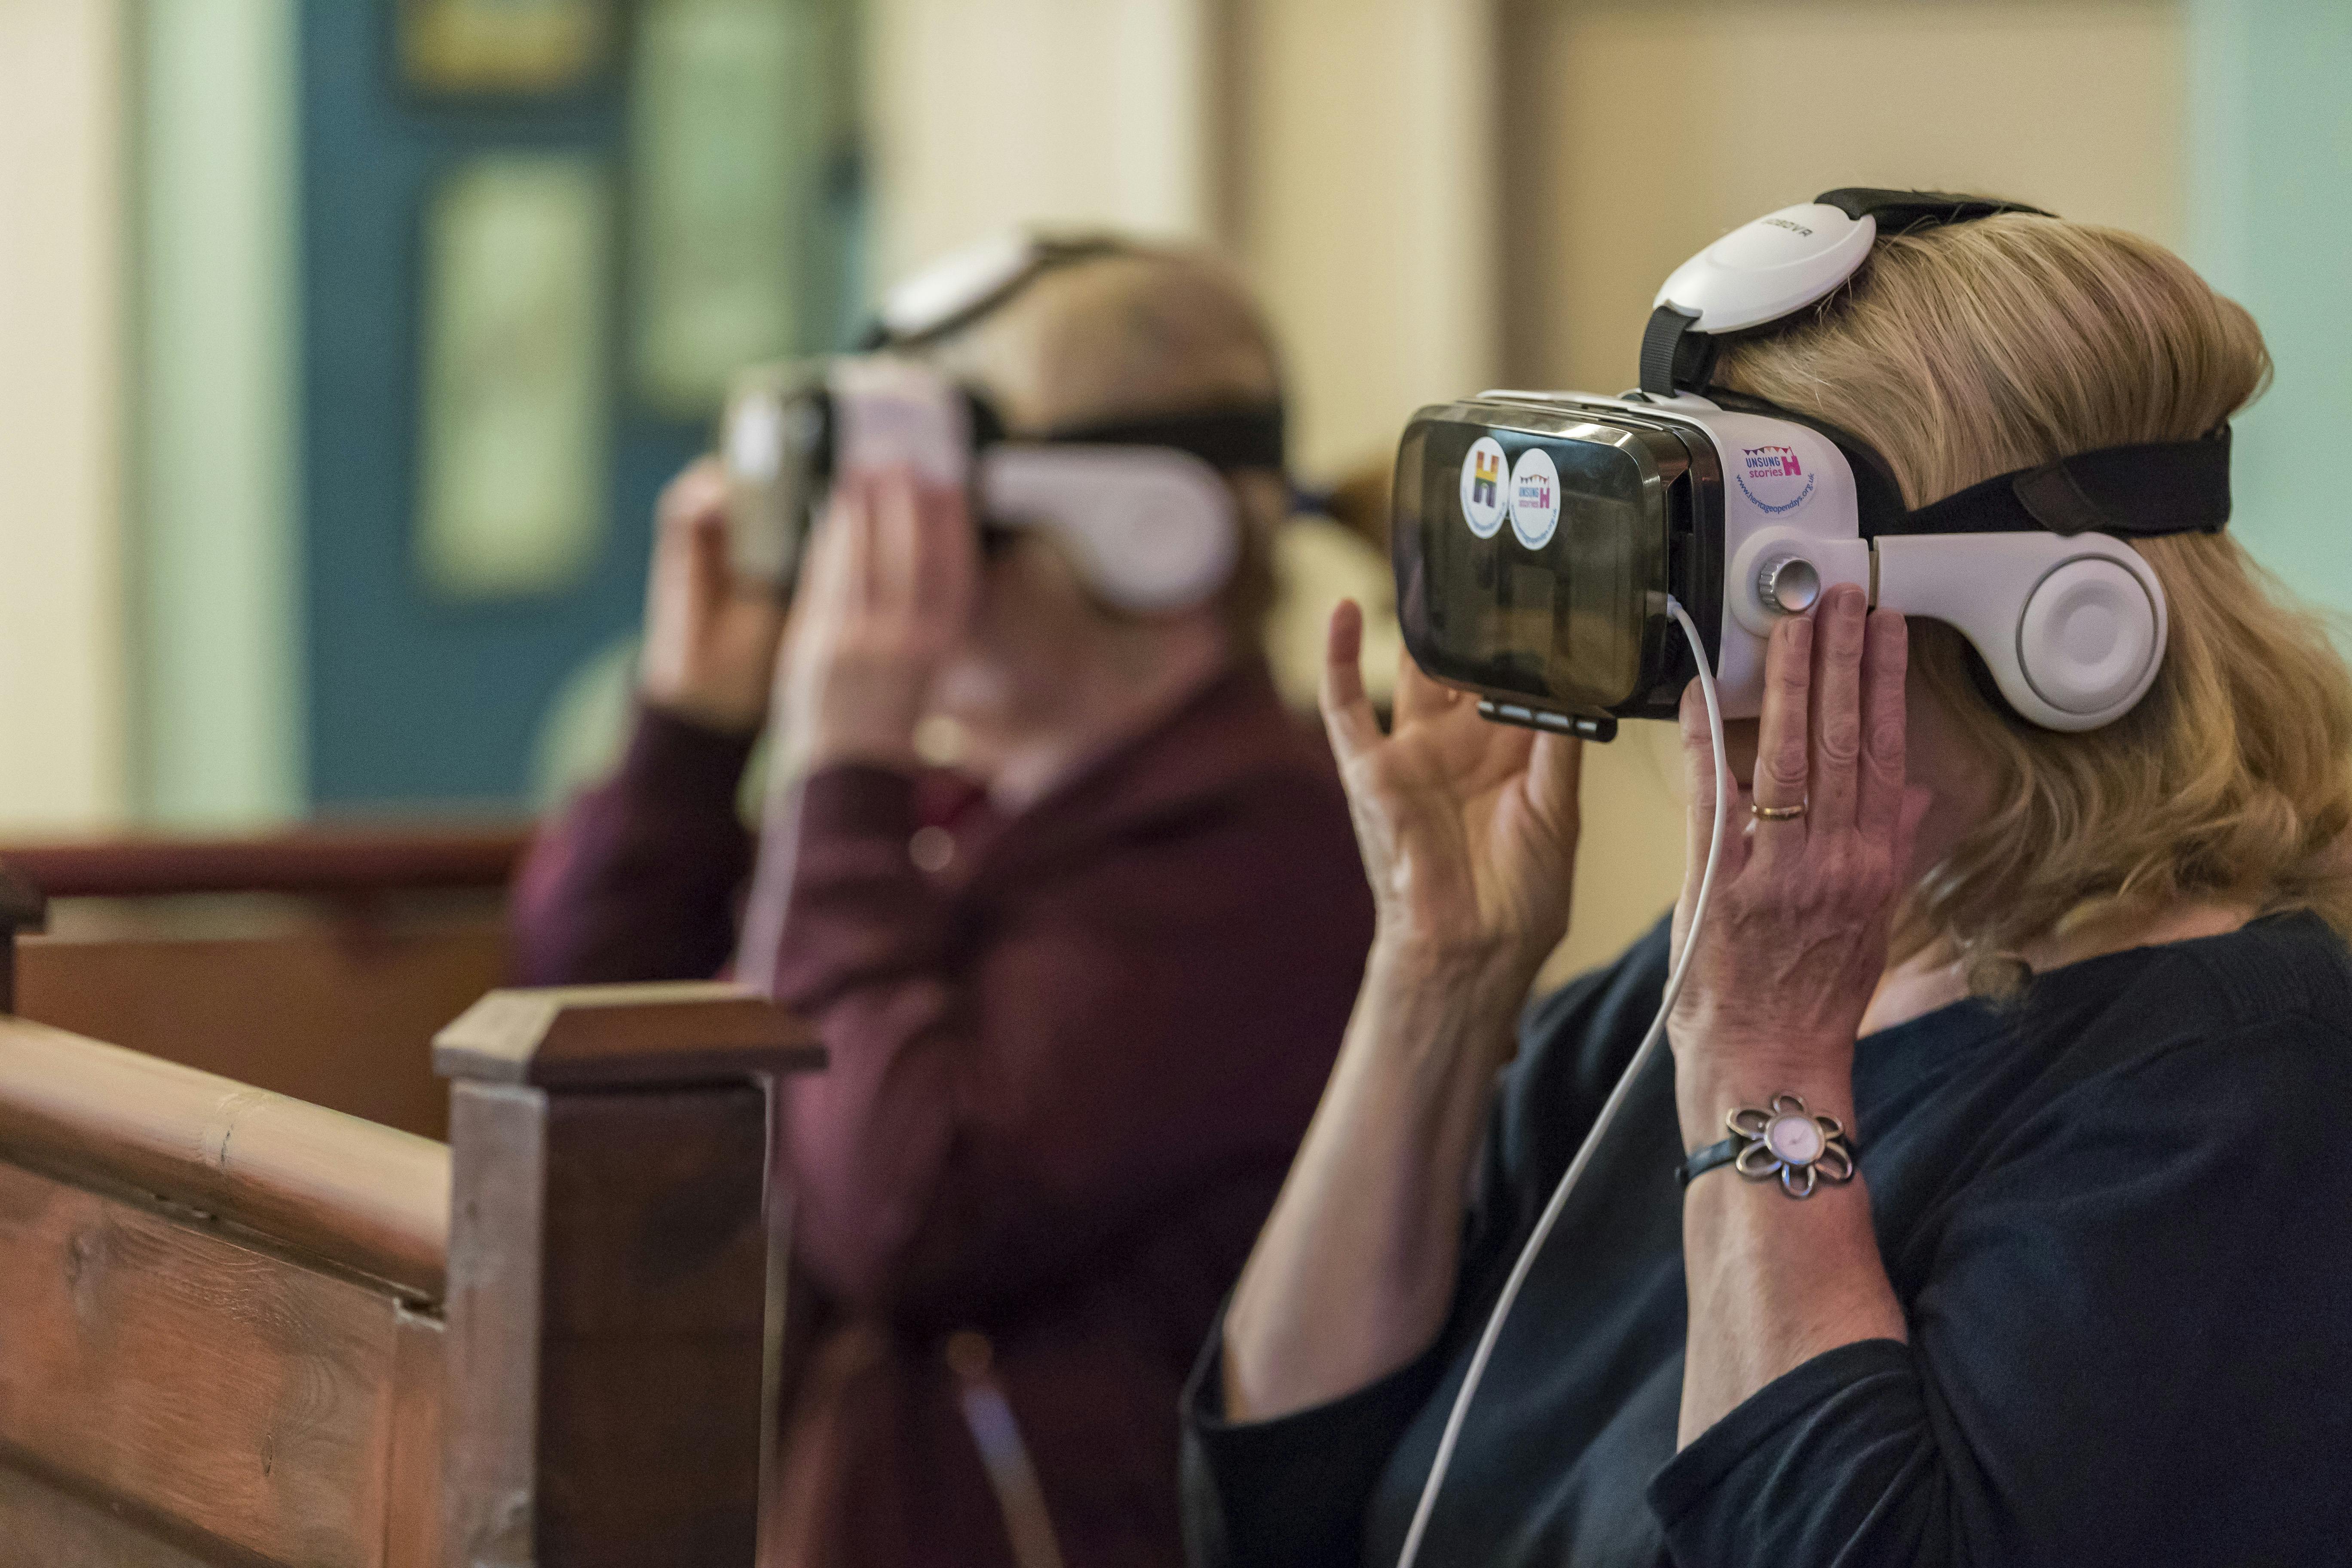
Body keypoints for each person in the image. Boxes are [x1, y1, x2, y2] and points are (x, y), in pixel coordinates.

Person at [1183, 211, 2352, 1565]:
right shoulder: (1692, 990)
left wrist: (1767, 1075)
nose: (1690, 657)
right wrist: (1436, 985)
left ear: (2062, 632)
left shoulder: (2237, 1073)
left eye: (1744, 578)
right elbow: (1268, 1503)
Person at [511, 243, 1375, 1568]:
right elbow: (585, 1043)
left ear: (1150, 536)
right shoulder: (966, 815)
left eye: (930, 498)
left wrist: (840, 764)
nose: (875, 550)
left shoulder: (1261, 849)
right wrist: (690, 737)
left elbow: (902, 1213)